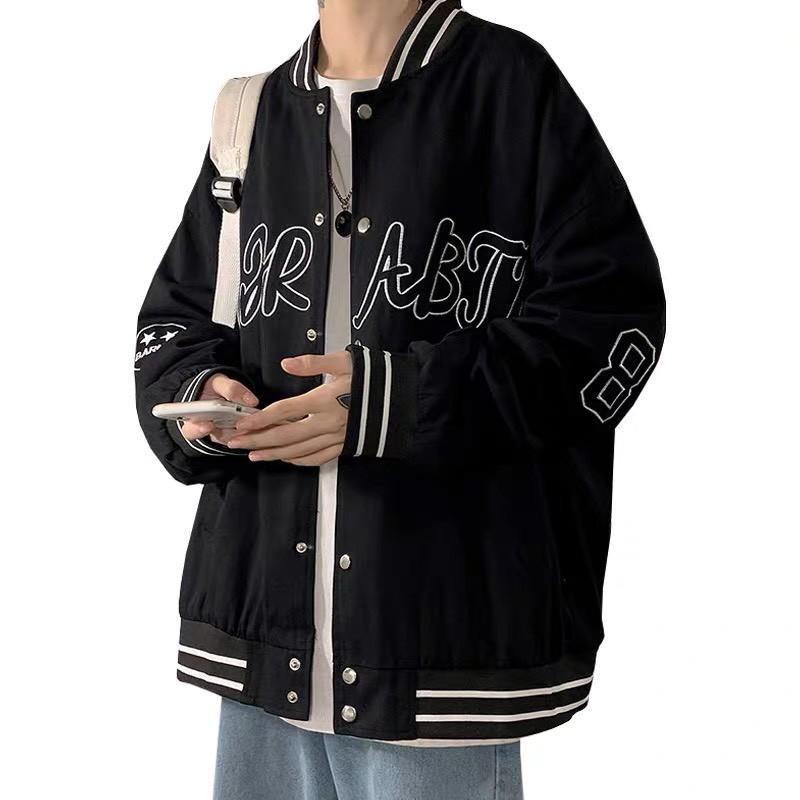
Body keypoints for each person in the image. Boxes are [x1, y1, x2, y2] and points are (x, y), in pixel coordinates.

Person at [135, 1, 666, 797]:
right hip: (266, 644)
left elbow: (610, 326)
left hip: (435, 648)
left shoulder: (508, 86)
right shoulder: (249, 114)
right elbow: (173, 323)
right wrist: (204, 397)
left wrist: (393, 402)